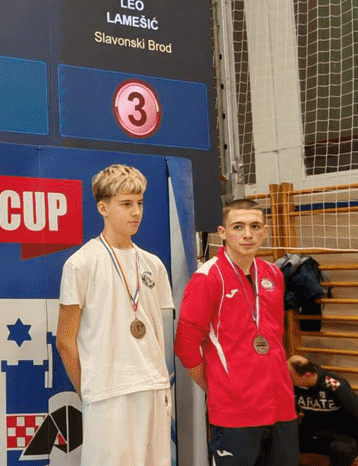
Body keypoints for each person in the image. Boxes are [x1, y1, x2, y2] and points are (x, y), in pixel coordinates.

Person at [55, 164, 175, 466]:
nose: (136, 212)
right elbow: (65, 341)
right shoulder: (81, 263)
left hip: (154, 386)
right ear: (103, 208)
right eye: (126, 204)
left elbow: (158, 334)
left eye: (140, 203)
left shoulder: (153, 264)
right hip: (108, 393)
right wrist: (91, 390)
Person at [174, 199, 299, 466]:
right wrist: (216, 386)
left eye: (255, 226)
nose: (247, 234)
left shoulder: (273, 274)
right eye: (238, 227)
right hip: (235, 414)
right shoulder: (207, 277)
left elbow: (275, 338)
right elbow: (186, 345)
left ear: (265, 232)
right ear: (222, 232)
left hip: (281, 408)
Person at [288, 355, 358, 466]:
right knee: (283, 440)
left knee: (341, 449)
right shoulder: (294, 386)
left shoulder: (334, 384)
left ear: (307, 375)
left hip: (341, 434)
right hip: (314, 432)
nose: (287, 379)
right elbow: (291, 414)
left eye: (290, 376)